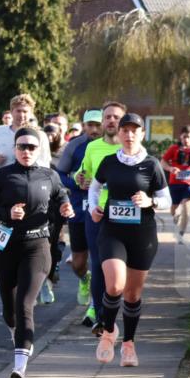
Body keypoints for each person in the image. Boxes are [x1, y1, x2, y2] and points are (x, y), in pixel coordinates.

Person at [0, 127, 74, 378]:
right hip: (5, 245)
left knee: (25, 305)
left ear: (39, 149)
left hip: (37, 246)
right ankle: (16, 334)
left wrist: (66, 208)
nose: (26, 151)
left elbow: (62, 198)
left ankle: (19, 368)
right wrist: (6, 213)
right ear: (14, 149)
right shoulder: (0, 177)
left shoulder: (50, 176)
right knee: (10, 310)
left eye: (32, 147)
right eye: (22, 147)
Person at [89, 113, 171, 367]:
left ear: (141, 134)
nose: (129, 134)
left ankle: (129, 344)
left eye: (134, 130)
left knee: (132, 295)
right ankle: (108, 330)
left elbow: (167, 200)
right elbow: (94, 188)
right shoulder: (109, 161)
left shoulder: (151, 165)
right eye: (125, 130)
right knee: (114, 286)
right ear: (120, 133)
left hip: (142, 235)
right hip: (112, 231)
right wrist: (93, 208)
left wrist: (150, 201)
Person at [76, 101, 125, 335]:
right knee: (97, 265)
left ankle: (111, 310)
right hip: (96, 214)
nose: (111, 121)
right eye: (108, 117)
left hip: (125, 216)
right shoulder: (93, 147)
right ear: (103, 121)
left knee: (118, 269)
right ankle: (100, 315)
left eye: (116, 117)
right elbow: (83, 172)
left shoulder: (131, 148)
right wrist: (80, 178)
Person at [55, 109, 101, 322]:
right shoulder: (75, 145)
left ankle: (95, 306)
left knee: (100, 259)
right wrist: (76, 181)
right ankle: (84, 279)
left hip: (101, 209)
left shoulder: (111, 146)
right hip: (79, 208)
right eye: (90, 125)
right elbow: (60, 174)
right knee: (78, 263)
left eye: (97, 124)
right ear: (84, 125)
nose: (94, 129)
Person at [162, 125, 190, 244]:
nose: (186, 139)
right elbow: (163, 162)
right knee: (174, 210)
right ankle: (176, 217)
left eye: (188, 137)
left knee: (186, 209)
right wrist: (171, 169)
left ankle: (181, 234)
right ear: (180, 137)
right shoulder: (174, 148)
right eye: (184, 137)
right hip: (175, 182)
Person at [40, 122, 67, 305]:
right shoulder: (29, 158)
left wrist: (66, 199)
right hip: (32, 210)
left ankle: (48, 279)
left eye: (53, 133)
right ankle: (39, 282)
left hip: (54, 207)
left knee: (51, 246)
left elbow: (65, 181)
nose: (49, 136)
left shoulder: (65, 152)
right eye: (46, 133)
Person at [0, 94, 52, 169]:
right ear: (11, 111)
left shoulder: (40, 135)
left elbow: (45, 163)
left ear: (31, 114)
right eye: (18, 111)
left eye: (25, 111)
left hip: (30, 179)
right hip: (3, 178)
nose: (21, 115)